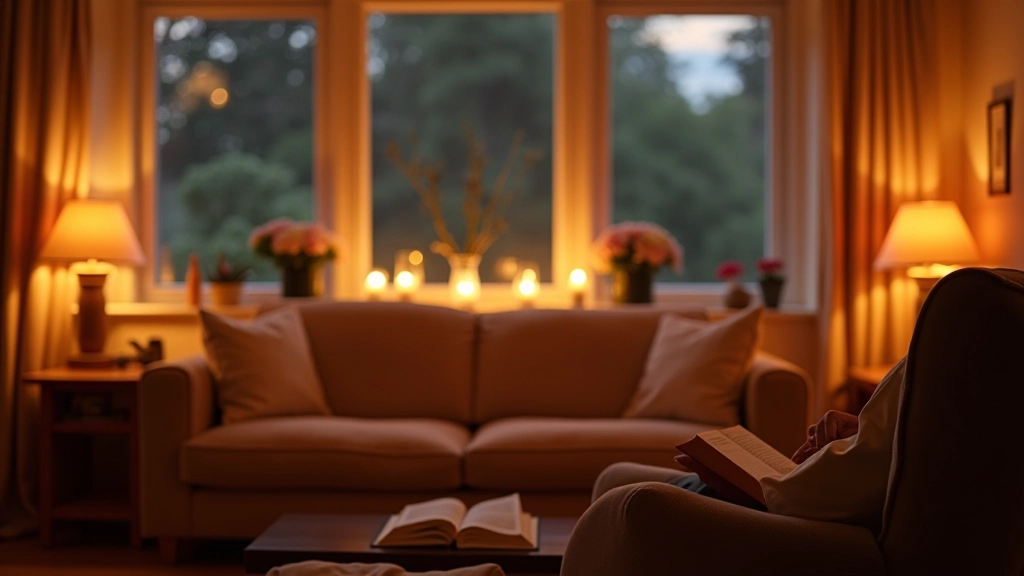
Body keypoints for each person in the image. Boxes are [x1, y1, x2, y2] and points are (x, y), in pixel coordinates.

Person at [593, 358, 904, 522]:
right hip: (801, 492)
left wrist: (743, 489)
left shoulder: (933, 350)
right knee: (614, 476)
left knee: (618, 488)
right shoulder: (935, 365)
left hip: (792, 513)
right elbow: (887, 449)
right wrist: (861, 429)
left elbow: (813, 500)